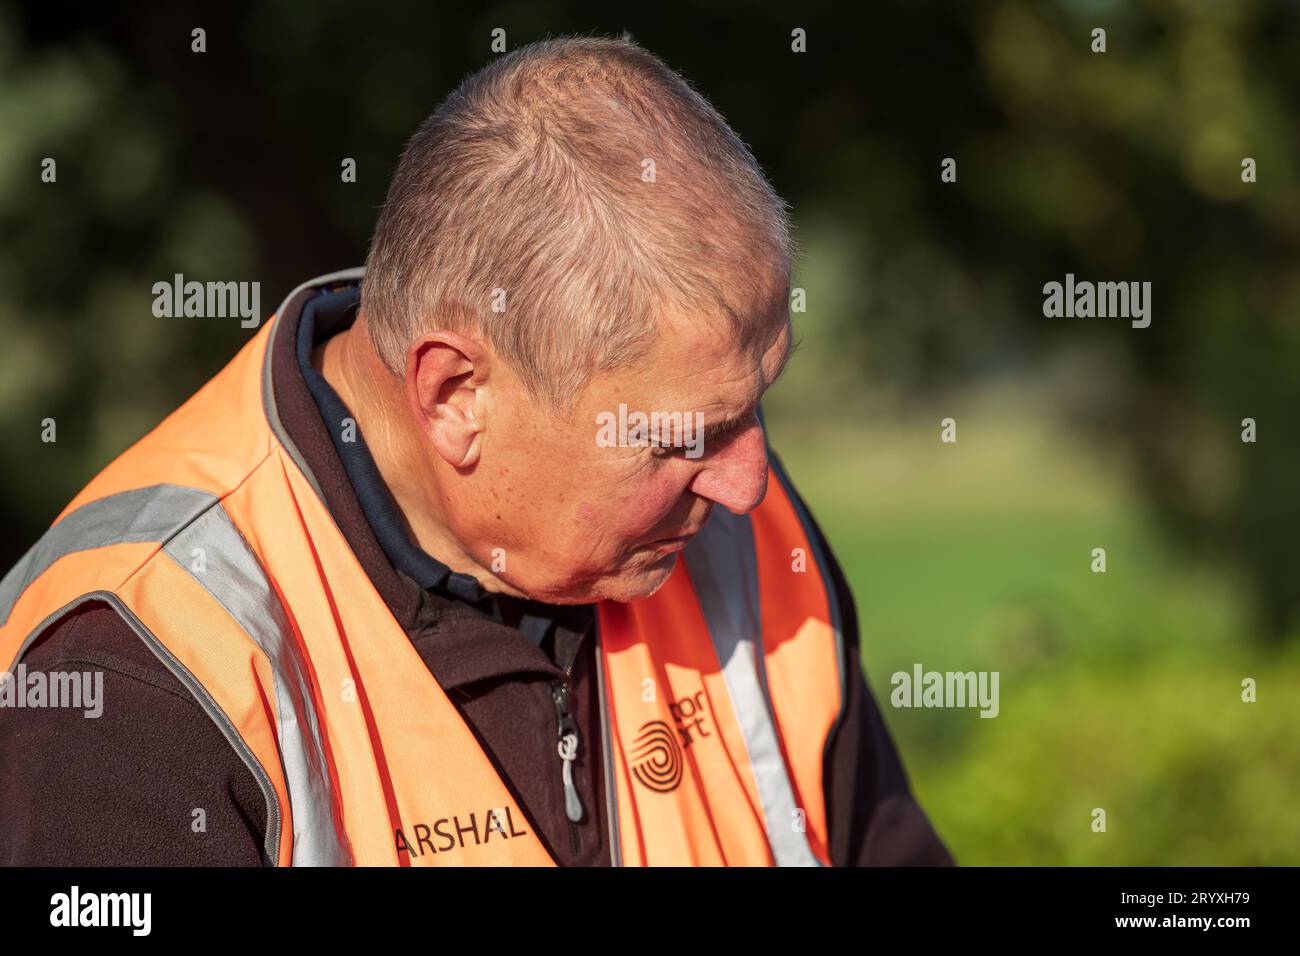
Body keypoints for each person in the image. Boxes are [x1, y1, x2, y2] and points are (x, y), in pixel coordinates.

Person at [0, 35, 952, 867]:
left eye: (758, 402)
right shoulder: (133, 684)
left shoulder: (739, 536)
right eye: (683, 438)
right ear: (455, 397)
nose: (749, 483)